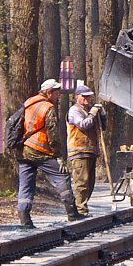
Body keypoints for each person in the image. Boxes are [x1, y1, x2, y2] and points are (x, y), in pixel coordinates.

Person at [17, 78, 81, 228]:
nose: (58, 95)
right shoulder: (48, 107)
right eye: (56, 92)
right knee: (62, 176)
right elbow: (52, 134)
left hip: (24, 151)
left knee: (25, 185)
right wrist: (58, 155)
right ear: (48, 92)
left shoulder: (29, 102)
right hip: (40, 151)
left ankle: (24, 219)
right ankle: (72, 213)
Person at [67, 82, 105, 217]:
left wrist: (102, 115)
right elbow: (83, 125)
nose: (87, 99)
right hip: (79, 151)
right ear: (77, 96)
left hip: (90, 151)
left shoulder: (88, 111)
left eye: (89, 97)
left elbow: (102, 127)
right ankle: (80, 210)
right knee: (81, 182)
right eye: (85, 97)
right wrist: (93, 114)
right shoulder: (74, 111)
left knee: (90, 183)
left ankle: (83, 208)